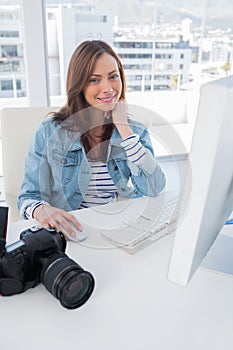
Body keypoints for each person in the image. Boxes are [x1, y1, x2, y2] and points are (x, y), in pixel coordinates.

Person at [18, 40, 166, 239]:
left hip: (110, 229)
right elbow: (28, 197)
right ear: (79, 85)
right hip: (66, 233)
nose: (107, 88)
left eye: (113, 77)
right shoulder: (48, 131)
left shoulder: (134, 133)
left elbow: (154, 188)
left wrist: (124, 129)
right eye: (94, 80)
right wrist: (42, 211)